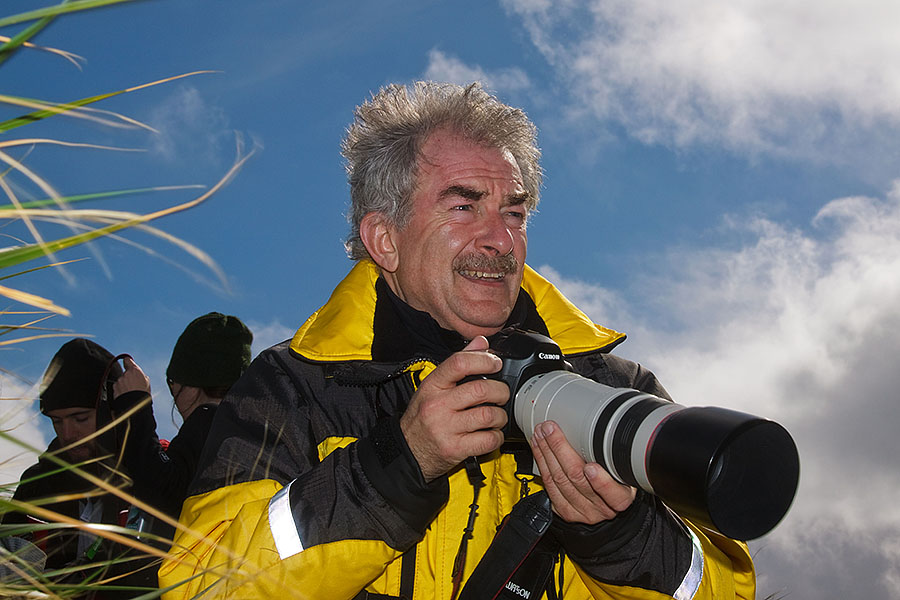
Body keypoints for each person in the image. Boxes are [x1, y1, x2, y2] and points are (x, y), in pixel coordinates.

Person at [159, 82, 754, 599]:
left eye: (515, 213)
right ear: (384, 239)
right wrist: (393, 467)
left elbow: (720, 587)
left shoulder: (614, 389)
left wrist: (620, 536)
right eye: (464, 206)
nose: (500, 238)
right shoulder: (294, 386)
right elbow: (203, 586)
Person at [111, 312, 253, 524]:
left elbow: (163, 489)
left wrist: (134, 407)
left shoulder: (209, 422)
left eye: (172, 381)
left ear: (191, 384)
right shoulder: (250, 432)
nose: (172, 390)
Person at [1, 338, 128, 575]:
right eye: (57, 421)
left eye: (80, 418)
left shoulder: (151, 475)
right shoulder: (36, 484)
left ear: (113, 412)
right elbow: (10, 577)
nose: (68, 434)